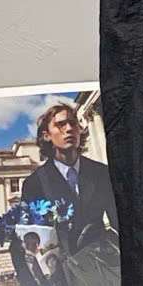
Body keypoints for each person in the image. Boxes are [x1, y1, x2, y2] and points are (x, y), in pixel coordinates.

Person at [21, 100, 119, 245]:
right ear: (47, 135)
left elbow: (119, 222)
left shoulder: (102, 173)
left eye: (73, 123)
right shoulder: (34, 183)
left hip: (101, 255)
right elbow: (29, 238)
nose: (69, 129)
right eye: (61, 125)